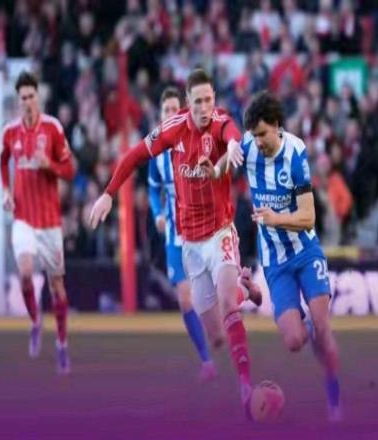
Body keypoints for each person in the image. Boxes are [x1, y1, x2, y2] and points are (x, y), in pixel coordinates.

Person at [89, 69, 260, 415]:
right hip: (190, 245)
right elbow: (134, 155)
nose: (204, 108)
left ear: (214, 99)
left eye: (208, 100)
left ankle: (246, 388)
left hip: (220, 233)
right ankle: (245, 288)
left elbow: (231, 132)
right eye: (198, 102)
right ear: (187, 103)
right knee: (215, 336)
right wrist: (108, 194)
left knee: (228, 306)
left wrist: (234, 145)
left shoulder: (220, 121)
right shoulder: (173, 129)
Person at [203, 91, 342, 420]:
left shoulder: (295, 153)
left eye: (263, 134)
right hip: (276, 262)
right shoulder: (249, 146)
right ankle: (310, 328)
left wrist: (275, 218)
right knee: (294, 341)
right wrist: (215, 170)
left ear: (277, 126)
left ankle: (334, 393)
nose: (258, 142)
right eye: (253, 135)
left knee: (323, 326)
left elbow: (308, 217)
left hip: (305, 251)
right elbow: (227, 163)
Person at [0, 71, 76, 374]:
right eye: (23, 98)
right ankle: (35, 321)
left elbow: (69, 170)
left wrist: (50, 165)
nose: (28, 102)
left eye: (31, 96)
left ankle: (61, 344)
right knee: (25, 273)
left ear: (38, 97)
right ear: (18, 101)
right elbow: (2, 160)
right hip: (23, 218)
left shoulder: (53, 128)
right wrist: (6, 192)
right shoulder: (10, 132)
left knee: (57, 287)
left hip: (50, 223)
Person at [147, 86, 217, 382]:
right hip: (175, 237)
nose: (171, 114)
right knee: (185, 300)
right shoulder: (157, 152)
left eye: (175, 109)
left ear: (184, 111)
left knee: (214, 295)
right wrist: (158, 214)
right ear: (161, 115)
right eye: (166, 110)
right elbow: (153, 188)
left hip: (205, 229)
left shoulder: (199, 140)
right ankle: (207, 361)